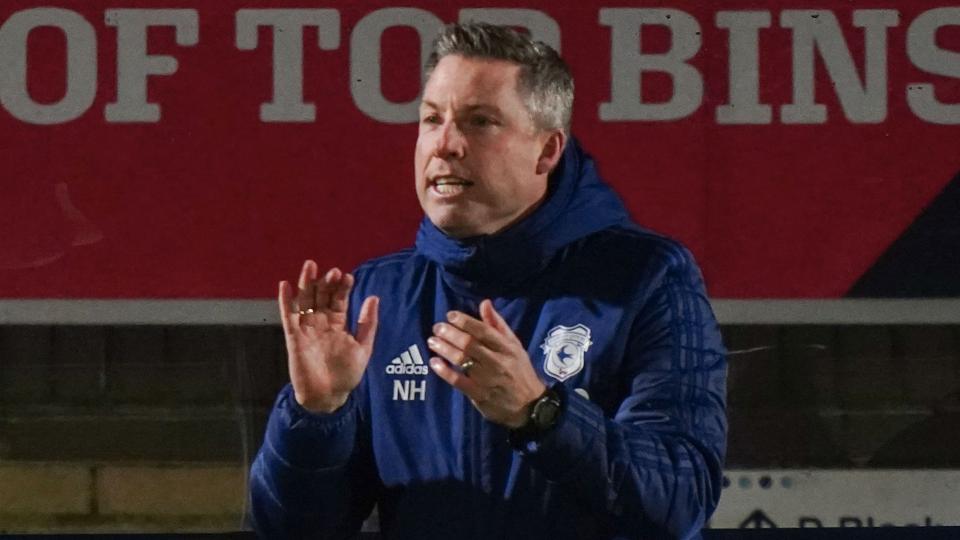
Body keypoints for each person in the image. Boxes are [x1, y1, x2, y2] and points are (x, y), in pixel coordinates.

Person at [249, 22, 727, 540]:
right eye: (431, 119)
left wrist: (539, 414)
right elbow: (292, 528)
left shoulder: (646, 279)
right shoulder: (376, 299)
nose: (445, 144)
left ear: (547, 151)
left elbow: (681, 499)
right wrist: (316, 417)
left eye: (479, 122)